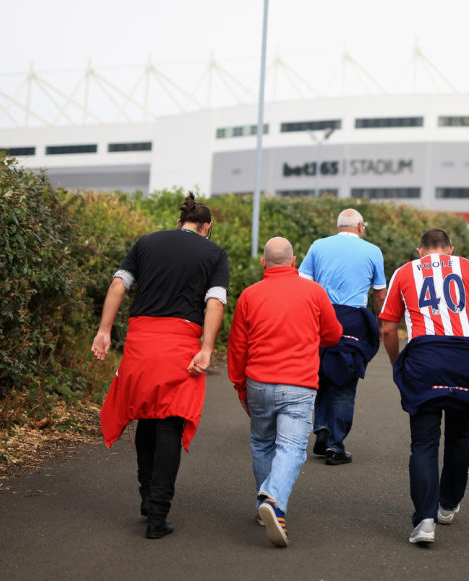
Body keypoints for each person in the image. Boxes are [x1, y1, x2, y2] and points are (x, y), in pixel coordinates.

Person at [92, 193, 229, 540]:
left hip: (140, 341)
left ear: (180, 221)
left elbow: (118, 285)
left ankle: (146, 500)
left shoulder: (146, 242)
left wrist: (104, 332)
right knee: (169, 421)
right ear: (206, 227)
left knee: (147, 419)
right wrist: (207, 348)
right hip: (179, 343)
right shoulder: (213, 253)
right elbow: (215, 302)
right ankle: (158, 514)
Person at [379, 228, 469, 546]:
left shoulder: (404, 272)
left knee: (424, 442)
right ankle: (448, 504)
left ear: (419, 250)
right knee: (459, 435)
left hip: (424, 357)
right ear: (451, 249)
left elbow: (388, 327)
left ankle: (424, 521)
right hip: (464, 356)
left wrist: (396, 362)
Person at [227, 237, 343, 548]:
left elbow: (237, 346)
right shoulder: (314, 291)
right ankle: (273, 501)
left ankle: (262, 503)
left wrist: (240, 385)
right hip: (299, 383)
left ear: (264, 263)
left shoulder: (249, 296)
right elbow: (333, 334)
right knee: (291, 447)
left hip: (258, 384)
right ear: (294, 262)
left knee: (262, 443)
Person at [298, 208, 386, 466]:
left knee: (322, 373)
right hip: (353, 320)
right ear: (360, 226)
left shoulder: (318, 246)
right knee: (346, 382)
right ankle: (336, 446)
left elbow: (304, 284)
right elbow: (380, 294)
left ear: (339, 226)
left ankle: (322, 429)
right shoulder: (372, 251)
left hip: (320, 316)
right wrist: (381, 324)